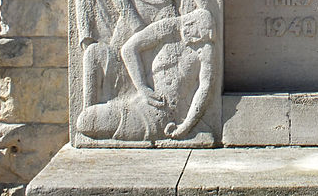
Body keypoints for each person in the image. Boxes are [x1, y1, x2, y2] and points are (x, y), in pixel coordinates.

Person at [75, 9, 217, 141]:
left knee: (85, 121)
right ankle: (90, 114)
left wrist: (185, 126)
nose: (194, 41)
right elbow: (129, 49)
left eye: (200, 38)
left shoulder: (205, 48)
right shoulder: (169, 27)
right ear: (189, 23)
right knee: (93, 52)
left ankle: (94, 119)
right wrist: (142, 87)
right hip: (138, 96)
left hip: (159, 113)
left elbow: (205, 88)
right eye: (195, 35)